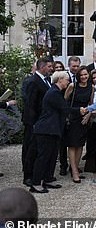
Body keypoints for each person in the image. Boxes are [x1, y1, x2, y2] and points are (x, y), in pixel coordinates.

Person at [30, 71, 84, 193]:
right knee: (43, 157)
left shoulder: (56, 92)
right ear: (60, 80)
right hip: (46, 129)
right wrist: (79, 110)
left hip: (53, 129)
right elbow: (65, 108)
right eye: (67, 80)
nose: (68, 82)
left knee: (52, 155)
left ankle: (48, 178)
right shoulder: (53, 93)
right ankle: (36, 183)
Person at [21, 58, 53, 187]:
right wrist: (32, 123)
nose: (51, 68)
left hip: (44, 122)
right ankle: (28, 176)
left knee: (40, 150)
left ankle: (40, 175)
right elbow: (30, 104)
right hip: (34, 122)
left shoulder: (46, 80)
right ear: (42, 67)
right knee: (30, 149)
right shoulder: (33, 81)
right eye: (49, 66)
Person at [62, 66, 94, 183]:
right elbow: (64, 103)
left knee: (80, 144)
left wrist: (88, 115)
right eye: (81, 75)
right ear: (78, 76)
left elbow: (91, 104)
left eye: (85, 74)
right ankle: (74, 172)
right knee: (72, 145)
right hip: (72, 117)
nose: (84, 77)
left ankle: (74, 167)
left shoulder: (92, 87)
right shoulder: (72, 86)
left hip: (83, 119)